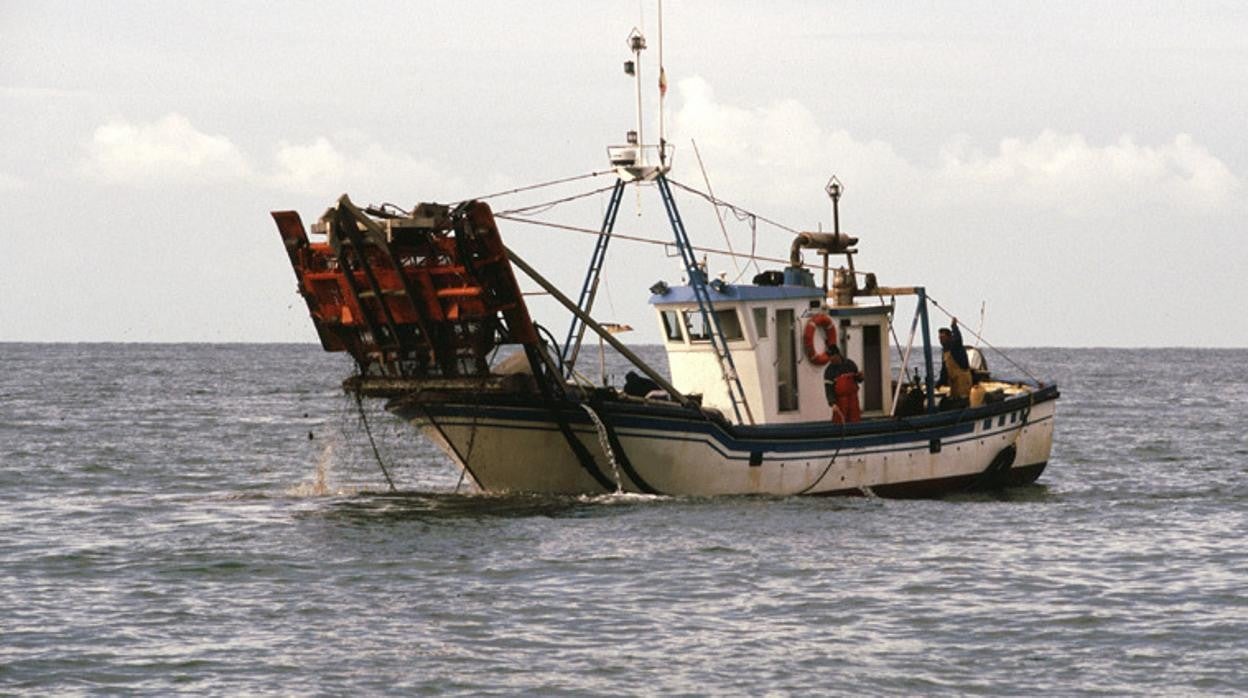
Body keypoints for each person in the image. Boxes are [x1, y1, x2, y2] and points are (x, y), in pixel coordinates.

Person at [937, 319, 972, 410]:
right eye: (939, 338)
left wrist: (954, 326)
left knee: (963, 401)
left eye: (943, 337)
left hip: (963, 381)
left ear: (949, 337)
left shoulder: (955, 347)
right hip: (954, 383)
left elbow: (958, 338)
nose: (941, 340)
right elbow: (944, 370)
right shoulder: (944, 352)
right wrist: (939, 383)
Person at [823, 346, 863, 423]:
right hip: (840, 402)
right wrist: (832, 403)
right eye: (829, 357)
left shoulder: (850, 364)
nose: (830, 359)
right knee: (839, 423)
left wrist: (860, 377)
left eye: (831, 356)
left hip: (853, 400)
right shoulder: (829, 371)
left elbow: (858, 380)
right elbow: (829, 389)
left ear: (837, 354)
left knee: (855, 422)